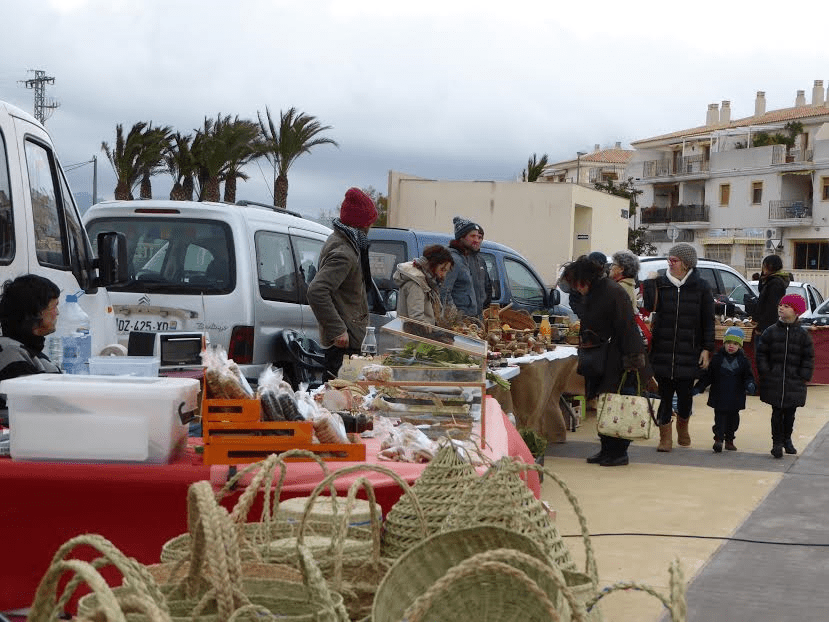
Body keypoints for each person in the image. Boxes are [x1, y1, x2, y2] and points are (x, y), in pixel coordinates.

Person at [560, 255, 650, 467]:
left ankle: (619, 452)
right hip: (600, 354)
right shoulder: (595, 292)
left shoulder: (612, 292)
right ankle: (606, 448)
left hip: (618, 357)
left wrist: (633, 360)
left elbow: (627, 327)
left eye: (577, 285)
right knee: (603, 404)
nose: (576, 289)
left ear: (586, 279)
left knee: (617, 404)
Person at [642, 242, 715, 452]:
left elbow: (708, 321)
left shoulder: (701, 287)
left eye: (674, 260)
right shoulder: (661, 283)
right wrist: (649, 282)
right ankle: (665, 437)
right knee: (664, 396)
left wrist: (706, 349)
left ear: (686, 264)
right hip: (663, 350)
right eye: (669, 260)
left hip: (689, 351)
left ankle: (683, 426)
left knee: (685, 397)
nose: (670, 263)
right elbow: (648, 306)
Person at [307, 187, 379, 379]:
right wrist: (338, 330)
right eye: (370, 222)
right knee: (341, 401)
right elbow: (316, 291)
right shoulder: (344, 252)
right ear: (362, 224)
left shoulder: (344, 242)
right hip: (344, 346)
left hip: (349, 340)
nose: (371, 227)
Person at [756, 293, 814, 459]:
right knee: (776, 412)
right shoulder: (771, 332)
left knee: (790, 413)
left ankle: (787, 439)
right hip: (775, 379)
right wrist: (766, 371)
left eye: (786, 306)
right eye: (781, 305)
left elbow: (808, 357)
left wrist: (803, 375)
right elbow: (762, 354)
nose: (781, 308)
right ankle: (777, 443)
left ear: (796, 312)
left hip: (794, 381)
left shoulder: (803, 336)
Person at [0, 275, 63, 425]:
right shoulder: (10, 352)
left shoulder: (27, 351)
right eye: (54, 306)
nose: (58, 313)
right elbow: (36, 406)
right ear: (36, 312)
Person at [693, 326, 757, 453]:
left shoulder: (744, 361)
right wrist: (699, 387)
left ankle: (729, 439)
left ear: (740, 345)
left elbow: (748, 376)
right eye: (728, 342)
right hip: (719, 396)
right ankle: (718, 439)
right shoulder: (717, 359)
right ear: (724, 343)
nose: (731, 346)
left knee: (733, 420)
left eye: (735, 343)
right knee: (719, 419)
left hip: (735, 397)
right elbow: (709, 376)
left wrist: (750, 384)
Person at [440, 216, 491, 319]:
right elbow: (444, 291)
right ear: (461, 237)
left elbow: (486, 290)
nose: (477, 240)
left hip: (476, 320)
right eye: (472, 236)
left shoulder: (479, 261)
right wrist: (454, 317)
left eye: (479, 237)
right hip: (460, 321)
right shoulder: (453, 259)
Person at [393, 244, 454, 325]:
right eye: (442, 269)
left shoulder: (428, 281)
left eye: (446, 271)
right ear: (432, 265)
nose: (443, 275)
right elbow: (417, 320)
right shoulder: (416, 284)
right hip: (413, 336)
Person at [755, 254, 791, 337]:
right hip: (766, 325)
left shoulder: (775, 283)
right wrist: (763, 276)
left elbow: (771, 308)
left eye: (764, 266)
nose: (763, 268)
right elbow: (760, 289)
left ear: (771, 266)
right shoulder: (769, 280)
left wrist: (762, 327)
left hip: (768, 327)